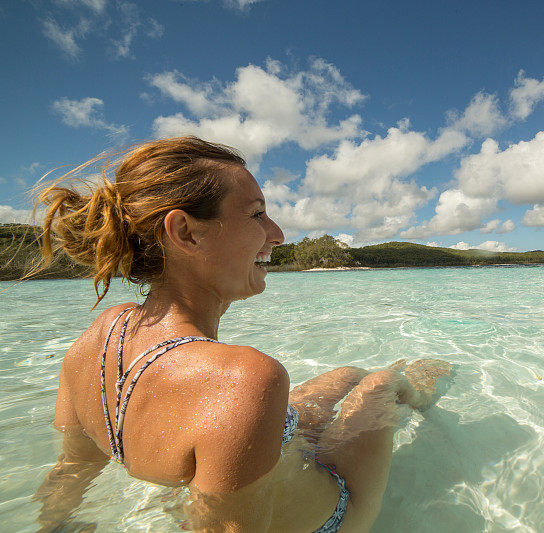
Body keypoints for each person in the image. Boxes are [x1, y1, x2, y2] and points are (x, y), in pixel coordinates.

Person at [31, 136, 453, 532]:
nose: (278, 234)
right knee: (380, 385)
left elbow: (71, 470)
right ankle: (415, 387)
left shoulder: (95, 340)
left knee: (344, 375)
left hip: (240, 468)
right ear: (185, 233)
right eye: (256, 214)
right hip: (332, 515)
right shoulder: (246, 378)